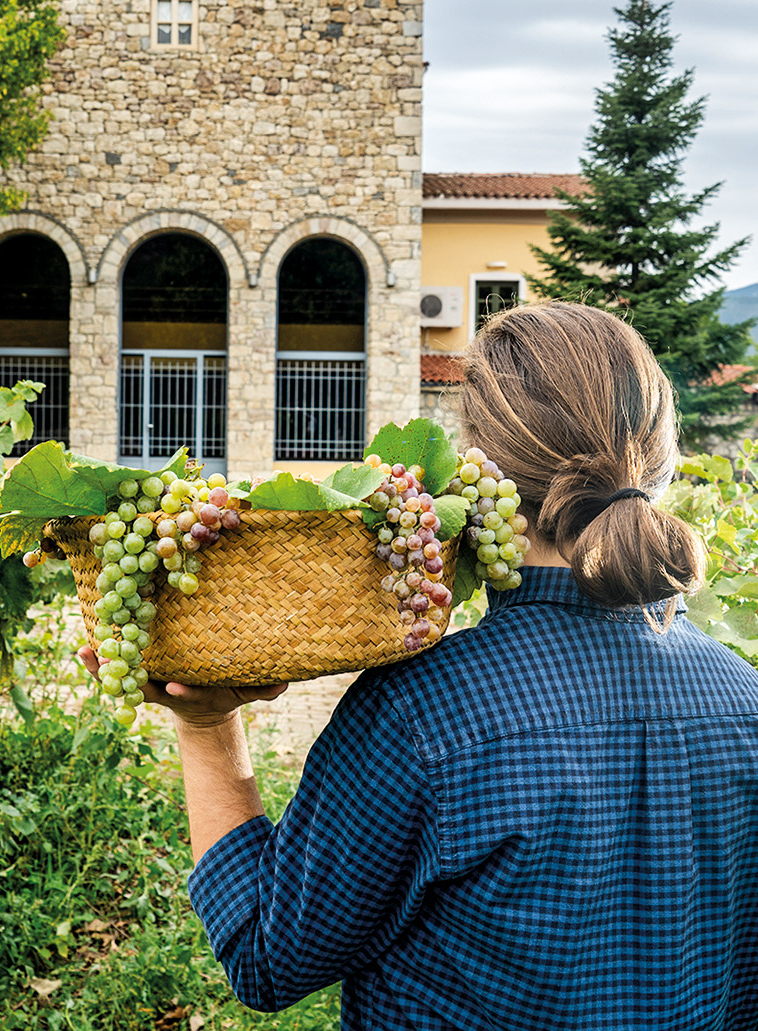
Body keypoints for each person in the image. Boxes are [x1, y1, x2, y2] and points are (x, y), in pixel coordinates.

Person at [80, 301, 758, 1030]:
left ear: (480, 469)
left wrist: (207, 727)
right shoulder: (748, 699)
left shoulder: (422, 716)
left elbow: (265, 957)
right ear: (661, 458)